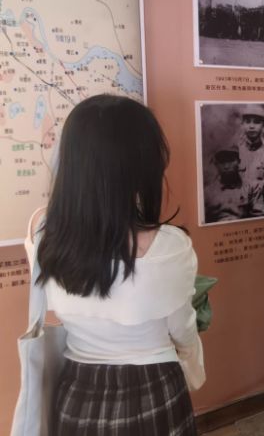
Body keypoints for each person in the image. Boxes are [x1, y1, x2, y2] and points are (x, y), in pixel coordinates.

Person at [27, 94, 204, 435]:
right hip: (154, 385)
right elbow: (182, 329)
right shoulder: (168, 246)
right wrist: (195, 370)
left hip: (76, 389)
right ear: (141, 165)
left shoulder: (45, 235)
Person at [204, 145, 264, 222]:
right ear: (216, 164)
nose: (226, 166)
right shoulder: (208, 193)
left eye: (231, 160)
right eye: (222, 162)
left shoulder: (252, 187)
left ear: (239, 161)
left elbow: (258, 217)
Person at [238, 104, 264, 184]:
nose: (252, 126)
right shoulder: (236, 152)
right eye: (248, 122)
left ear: (263, 125)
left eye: (256, 122)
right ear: (242, 124)